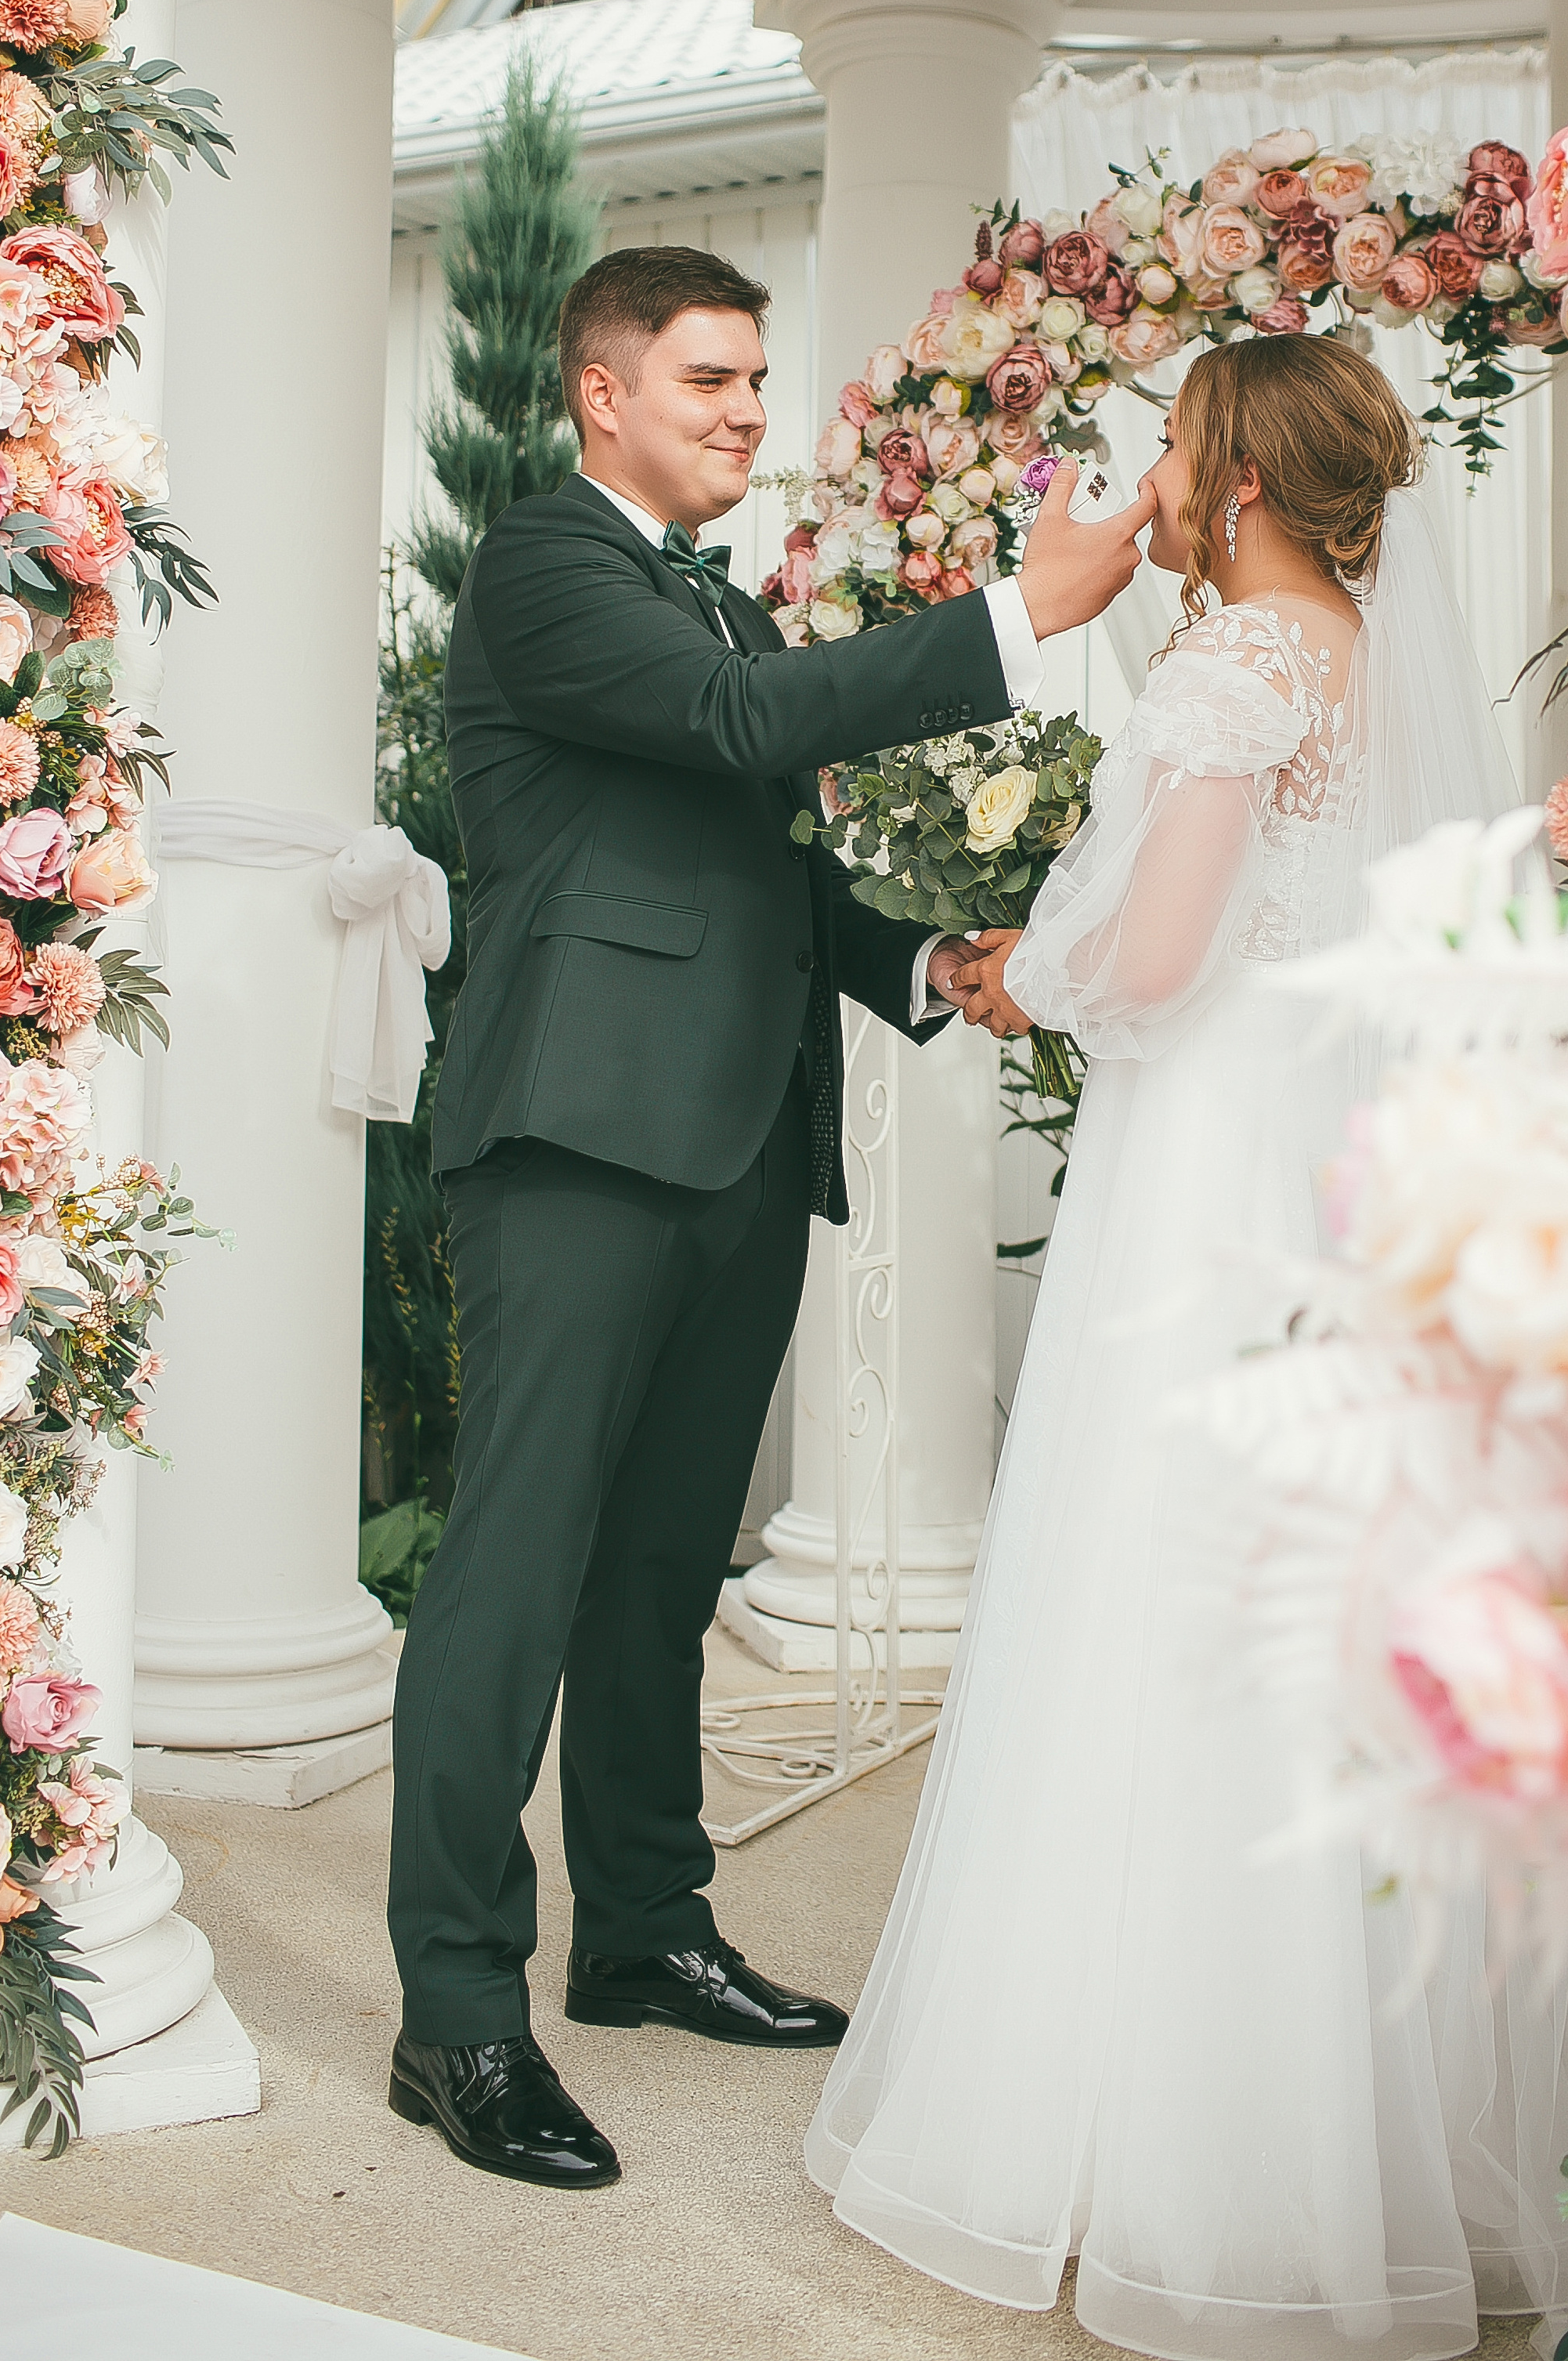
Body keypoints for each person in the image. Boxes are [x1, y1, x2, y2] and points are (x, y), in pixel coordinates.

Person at [805, 331, 1568, 2356]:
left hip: (1199, 1174)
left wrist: (1028, 971)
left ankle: (1147, 2155)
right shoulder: (1353, 653)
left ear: (1241, 479)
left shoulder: (1231, 663)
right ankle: (1331, 2149)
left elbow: (1162, 952)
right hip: (1319, 1171)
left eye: (1176, 450)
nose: (1155, 482)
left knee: (1152, 1589)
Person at [385, 244, 1151, 2190]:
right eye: (708, 379)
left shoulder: (712, 599)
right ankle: (455, 2017)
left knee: (660, 1575)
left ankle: (640, 1931)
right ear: (602, 393)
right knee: (513, 1575)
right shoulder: (544, 562)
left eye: (752, 379)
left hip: (738, 1141)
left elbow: (761, 859)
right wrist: (1020, 614)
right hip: (577, 1137)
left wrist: (932, 968)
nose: (746, 411)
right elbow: (741, 732)